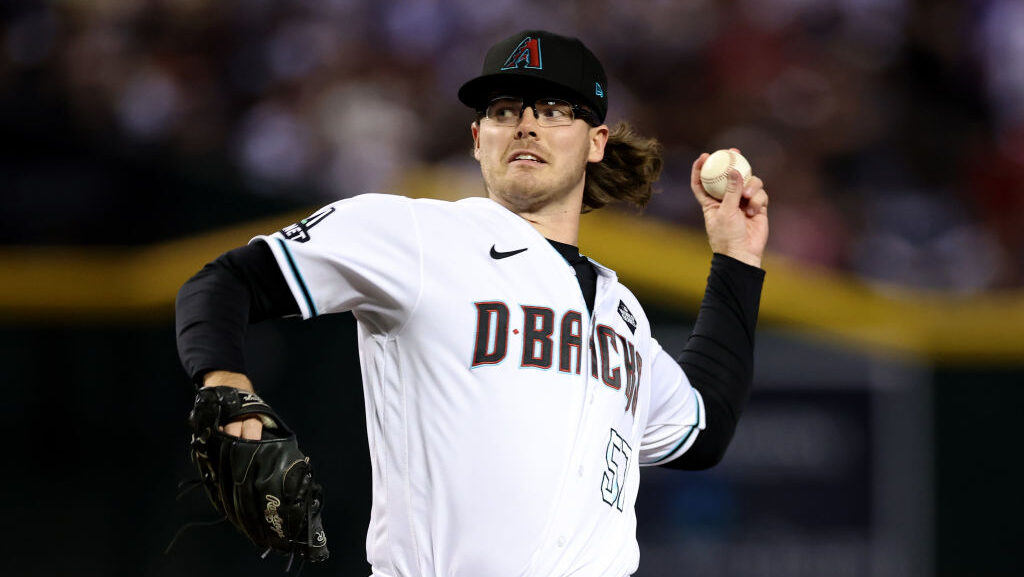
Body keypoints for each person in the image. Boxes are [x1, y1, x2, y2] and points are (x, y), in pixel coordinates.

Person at [176, 29, 768, 577]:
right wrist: (224, 386)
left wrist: (737, 259)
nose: (526, 125)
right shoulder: (416, 235)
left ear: (597, 143)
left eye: (555, 110)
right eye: (505, 110)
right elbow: (225, 281)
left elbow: (705, 429)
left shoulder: (623, 315)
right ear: (477, 137)